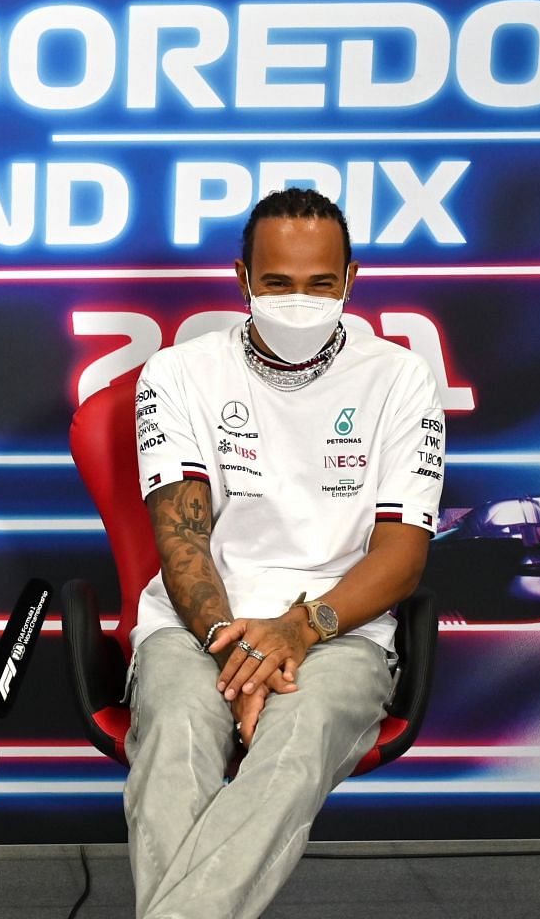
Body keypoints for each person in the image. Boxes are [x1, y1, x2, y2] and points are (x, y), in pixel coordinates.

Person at [123, 187, 445, 918]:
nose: (298, 301)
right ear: (242, 280)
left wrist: (295, 633)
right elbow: (183, 544)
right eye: (277, 284)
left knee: (295, 743)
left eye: (319, 284)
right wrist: (233, 646)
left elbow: (402, 558)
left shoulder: (400, 378)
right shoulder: (177, 374)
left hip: (339, 629)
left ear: (350, 280)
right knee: (175, 737)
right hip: (199, 623)